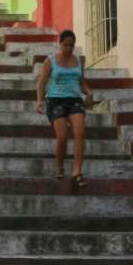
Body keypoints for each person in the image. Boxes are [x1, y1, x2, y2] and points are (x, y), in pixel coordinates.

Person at [35, 29, 95, 190]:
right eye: (65, 45)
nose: (68, 48)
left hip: (75, 99)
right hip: (55, 100)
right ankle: (59, 166)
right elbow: (41, 82)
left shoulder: (77, 61)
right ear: (60, 44)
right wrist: (40, 100)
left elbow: (81, 82)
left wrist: (89, 92)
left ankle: (77, 173)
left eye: (71, 45)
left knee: (80, 133)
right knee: (62, 136)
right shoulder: (51, 60)